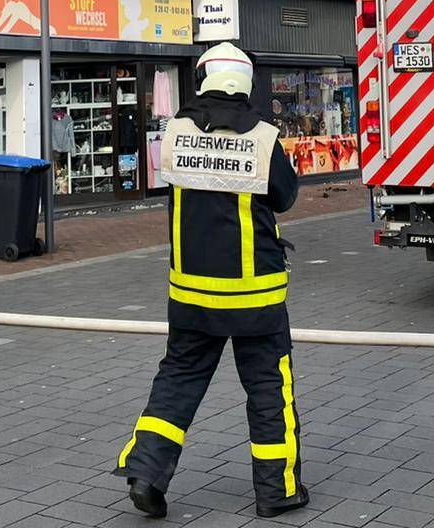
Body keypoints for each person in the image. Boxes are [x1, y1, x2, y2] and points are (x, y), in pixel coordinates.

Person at [115, 43, 307, 520]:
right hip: (255, 296)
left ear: (203, 79)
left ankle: (146, 473)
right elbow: (284, 198)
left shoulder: (175, 132)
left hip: (191, 291)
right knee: (268, 387)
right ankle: (277, 490)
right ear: (246, 82)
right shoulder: (263, 137)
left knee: (178, 380)